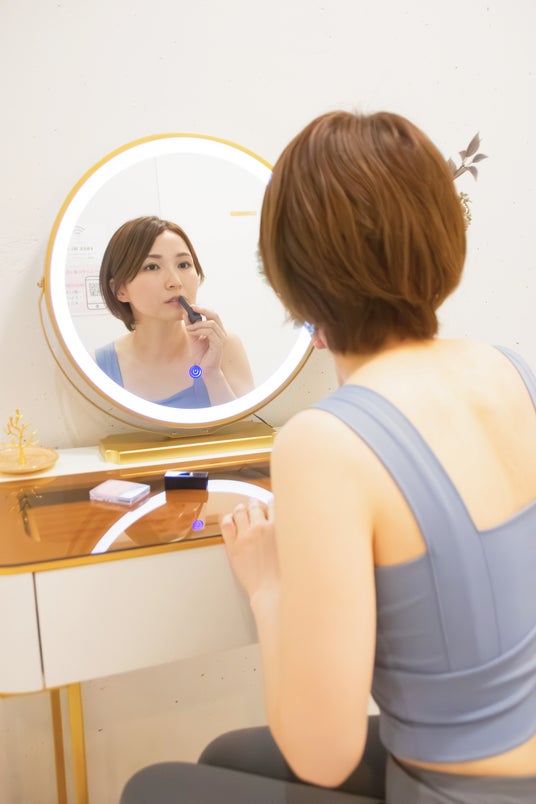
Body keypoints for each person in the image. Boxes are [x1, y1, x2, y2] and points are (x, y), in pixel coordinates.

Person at [119, 112, 536, 803]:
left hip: (463, 790)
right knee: (227, 755)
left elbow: (322, 757)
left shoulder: (327, 441)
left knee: (154, 786)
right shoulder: (513, 371)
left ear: (291, 277)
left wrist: (269, 590)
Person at [96, 216, 254, 407]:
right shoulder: (97, 367)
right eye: (152, 267)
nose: (175, 282)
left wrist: (212, 374)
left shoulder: (224, 346)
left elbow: (249, 425)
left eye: (183, 265)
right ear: (120, 290)